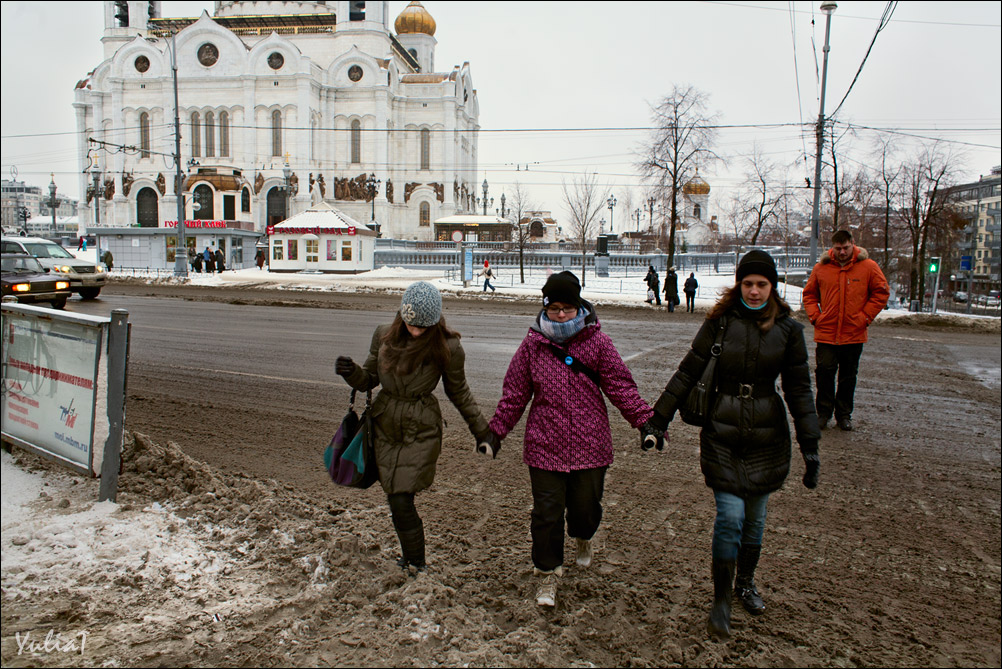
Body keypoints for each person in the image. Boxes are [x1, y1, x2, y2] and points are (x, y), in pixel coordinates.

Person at [647, 250, 820, 640]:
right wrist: (658, 419)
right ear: (738, 284)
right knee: (729, 517)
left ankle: (745, 583)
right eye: (748, 284)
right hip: (722, 432)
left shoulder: (789, 331)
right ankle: (721, 599)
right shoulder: (720, 323)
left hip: (766, 436)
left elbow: (799, 390)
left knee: (755, 522)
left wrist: (810, 444)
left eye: (762, 284)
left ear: (772, 286)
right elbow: (688, 371)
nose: (755, 291)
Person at [482, 271, 665, 608]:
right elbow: (514, 394)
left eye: (568, 308)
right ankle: (547, 574)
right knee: (546, 514)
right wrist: (495, 433)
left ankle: (583, 537)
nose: (562, 315)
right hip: (544, 444)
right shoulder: (533, 346)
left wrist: (645, 421)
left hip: (590, 445)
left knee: (585, 510)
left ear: (579, 306)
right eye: (554, 309)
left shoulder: (597, 342)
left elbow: (620, 387)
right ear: (544, 308)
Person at [335, 281, 492, 573]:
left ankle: (417, 564)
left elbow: (459, 392)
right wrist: (352, 372)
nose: (415, 331)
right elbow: (369, 379)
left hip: (420, 427)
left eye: (422, 326)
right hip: (385, 423)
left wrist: (482, 432)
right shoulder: (384, 335)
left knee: (400, 498)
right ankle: (410, 559)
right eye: (410, 324)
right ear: (401, 316)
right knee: (395, 498)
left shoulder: (448, 347)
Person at [802, 230, 890, 432]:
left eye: (845, 248)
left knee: (848, 376)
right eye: (838, 248)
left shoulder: (868, 267)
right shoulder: (821, 268)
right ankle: (823, 414)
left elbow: (881, 292)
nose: (842, 252)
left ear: (853, 244)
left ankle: (843, 415)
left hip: (854, 332)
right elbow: (809, 295)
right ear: (832, 247)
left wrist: (865, 317)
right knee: (824, 372)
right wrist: (816, 317)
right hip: (826, 332)